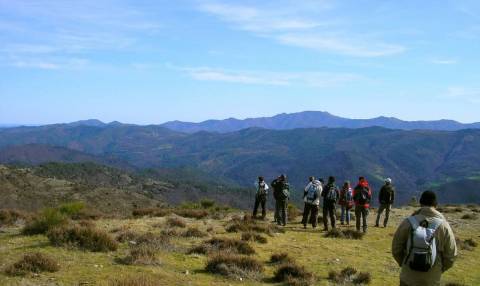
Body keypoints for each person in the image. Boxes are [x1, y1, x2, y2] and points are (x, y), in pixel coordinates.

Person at [392, 191, 457, 286]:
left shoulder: (408, 222)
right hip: (432, 279)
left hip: (408, 277)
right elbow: (451, 255)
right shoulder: (444, 226)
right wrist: (439, 269)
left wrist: (405, 263)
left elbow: (396, 249)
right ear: (435, 204)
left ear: (420, 203)